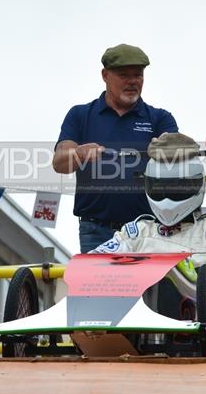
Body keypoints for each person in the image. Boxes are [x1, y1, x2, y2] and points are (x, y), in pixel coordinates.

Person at [91, 133, 206, 355]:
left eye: (176, 188)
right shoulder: (138, 230)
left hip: (198, 334)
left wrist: (198, 277)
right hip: (140, 332)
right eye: (161, 189)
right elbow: (94, 261)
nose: (167, 198)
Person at [53, 43, 178, 253]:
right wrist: (79, 153)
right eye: (123, 75)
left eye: (138, 75)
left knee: (151, 287)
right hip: (96, 231)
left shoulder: (160, 119)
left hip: (149, 230)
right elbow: (59, 163)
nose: (132, 82)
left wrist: (169, 149)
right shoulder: (80, 115)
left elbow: (177, 159)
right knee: (99, 287)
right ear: (104, 75)